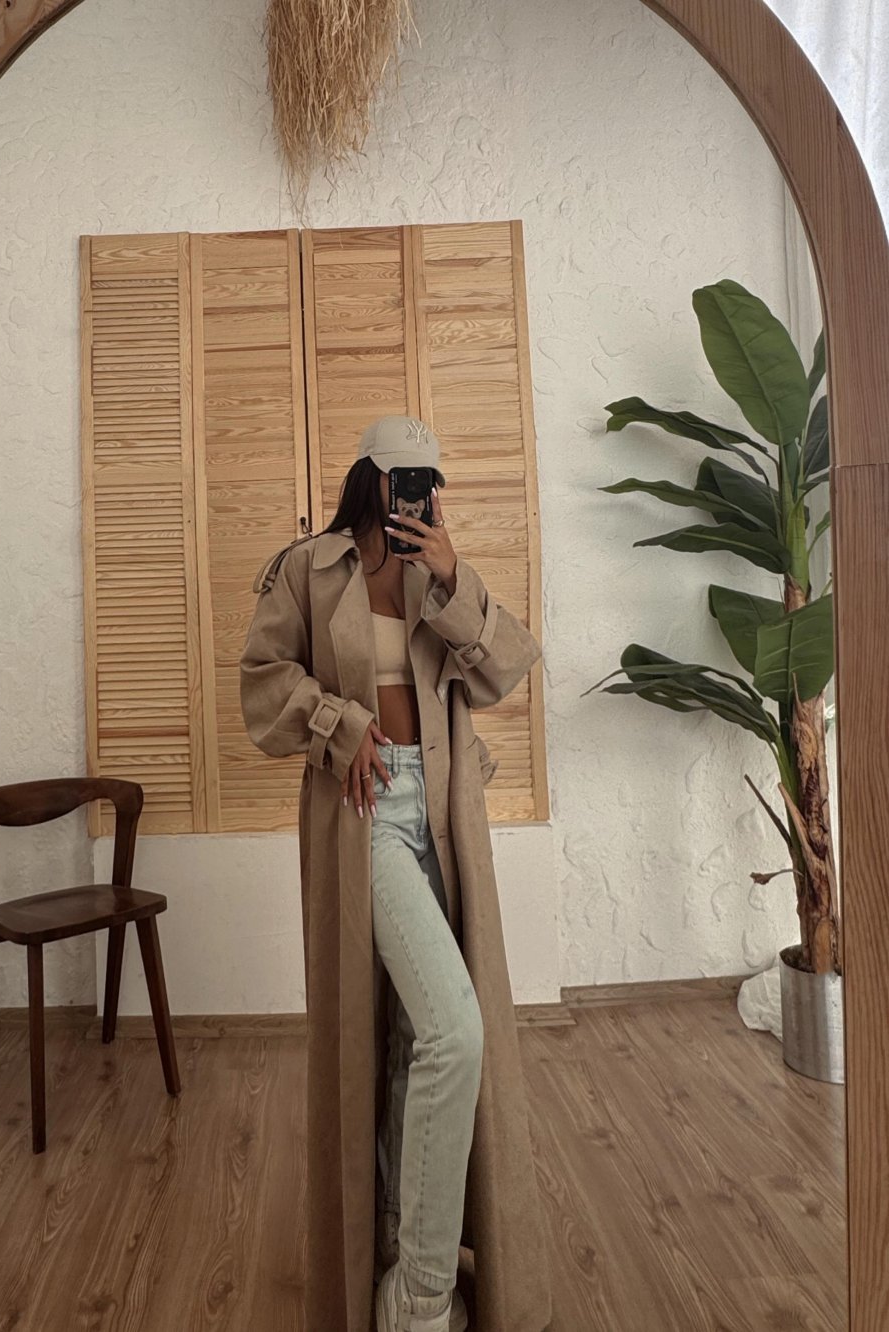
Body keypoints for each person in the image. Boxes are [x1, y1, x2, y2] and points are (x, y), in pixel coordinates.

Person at [240, 416, 553, 1332]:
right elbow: (262, 682)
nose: (424, 491)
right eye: (408, 474)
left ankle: (403, 1247)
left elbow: (502, 672)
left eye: (432, 477)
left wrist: (453, 576)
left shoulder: (435, 573)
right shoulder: (308, 567)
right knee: (453, 1029)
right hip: (365, 811)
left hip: (443, 811)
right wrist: (339, 726)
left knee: (427, 1037)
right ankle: (417, 1302)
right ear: (372, 478)